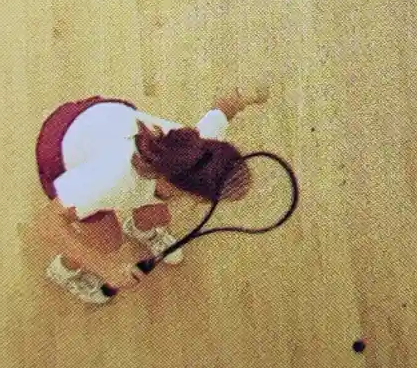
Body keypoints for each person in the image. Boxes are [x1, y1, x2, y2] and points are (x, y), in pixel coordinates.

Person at [32, 85, 269, 304]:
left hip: (104, 123)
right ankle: (63, 271)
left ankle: (140, 230)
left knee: (158, 217)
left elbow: (223, 107)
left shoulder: (200, 149)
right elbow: (46, 223)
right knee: (107, 243)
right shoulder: (111, 180)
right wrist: (106, 268)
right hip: (62, 147)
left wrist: (246, 98)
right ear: (192, 193)